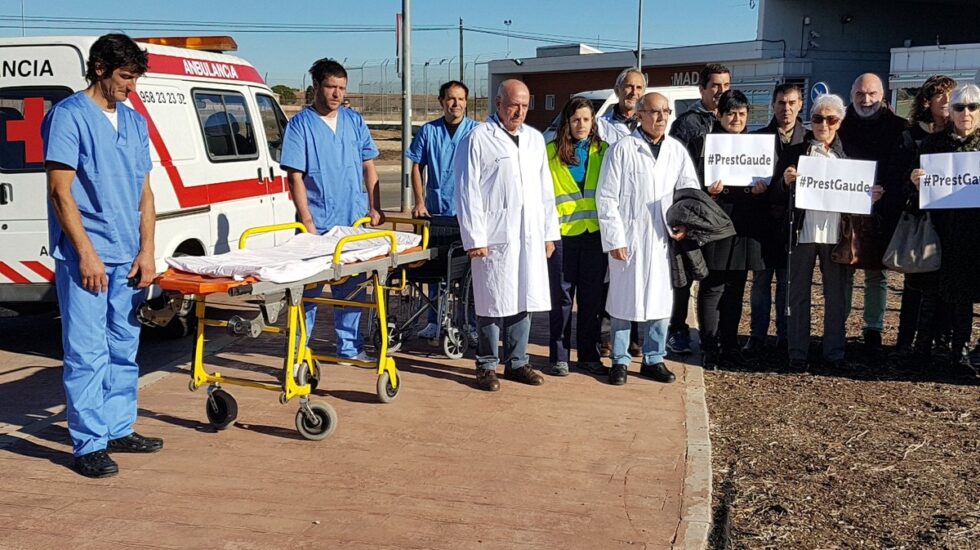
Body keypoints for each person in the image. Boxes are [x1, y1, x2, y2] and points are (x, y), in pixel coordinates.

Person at [42, 33, 162, 478]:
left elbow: (145, 194)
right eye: (126, 78)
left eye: (136, 78)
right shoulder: (68, 117)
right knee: (87, 351)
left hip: (128, 257)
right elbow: (60, 192)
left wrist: (147, 251)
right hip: (85, 259)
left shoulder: (134, 123)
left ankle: (117, 428)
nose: (132, 87)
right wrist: (87, 255)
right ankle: (88, 443)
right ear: (99, 69)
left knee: (124, 347)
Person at [455, 79, 560, 392]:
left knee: (523, 296)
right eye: (514, 104)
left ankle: (517, 362)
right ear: (498, 103)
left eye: (525, 106)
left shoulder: (534, 140)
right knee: (491, 301)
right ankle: (486, 365)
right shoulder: (478, 138)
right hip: (493, 236)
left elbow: (545, 190)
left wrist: (548, 234)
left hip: (529, 234)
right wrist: (475, 238)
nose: (520, 111)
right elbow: (467, 191)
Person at [771, 94, 884, 371]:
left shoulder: (849, 155)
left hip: (836, 235)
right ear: (811, 121)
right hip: (803, 232)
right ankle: (797, 352)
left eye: (831, 119)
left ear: (839, 122)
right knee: (797, 294)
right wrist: (785, 183)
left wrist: (871, 195)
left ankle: (834, 353)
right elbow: (774, 193)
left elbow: (858, 191)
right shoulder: (795, 152)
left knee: (837, 295)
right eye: (818, 118)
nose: (824, 124)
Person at [281, 58, 383, 362]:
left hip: (354, 219)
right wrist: (308, 221)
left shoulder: (354, 121)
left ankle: (350, 348)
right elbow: (295, 176)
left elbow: (369, 165)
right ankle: (298, 351)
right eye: (330, 87)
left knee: (352, 289)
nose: (337, 93)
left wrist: (375, 207)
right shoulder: (301, 126)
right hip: (319, 222)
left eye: (341, 87)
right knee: (308, 291)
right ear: (316, 87)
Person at [596, 92, 700, 385]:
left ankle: (654, 359)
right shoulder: (622, 149)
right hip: (628, 238)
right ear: (640, 114)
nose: (661, 117)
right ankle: (619, 359)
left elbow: (689, 193)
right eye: (655, 112)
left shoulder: (676, 151)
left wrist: (684, 226)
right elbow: (606, 197)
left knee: (660, 301)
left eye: (666, 112)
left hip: (663, 239)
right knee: (622, 301)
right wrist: (615, 238)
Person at [686, 90, 768, 369]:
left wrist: (761, 190)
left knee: (736, 287)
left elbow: (767, 183)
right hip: (715, 222)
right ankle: (709, 347)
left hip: (745, 223)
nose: (736, 118)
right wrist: (708, 191)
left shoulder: (756, 146)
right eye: (731, 113)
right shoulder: (703, 144)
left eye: (742, 113)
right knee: (712, 286)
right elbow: (690, 183)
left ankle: (730, 345)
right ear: (719, 115)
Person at [909, 83, 980, 374]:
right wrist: (915, 181)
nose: (966, 113)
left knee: (963, 296)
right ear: (949, 111)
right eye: (959, 107)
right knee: (930, 292)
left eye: (972, 107)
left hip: (973, 233)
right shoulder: (932, 145)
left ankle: (959, 353)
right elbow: (914, 196)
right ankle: (922, 348)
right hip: (937, 229)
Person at [837, 73, 907, 355]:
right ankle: (837, 325)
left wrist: (886, 189)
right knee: (845, 268)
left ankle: (873, 328)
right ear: (851, 95)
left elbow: (902, 167)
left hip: (882, 208)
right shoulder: (839, 124)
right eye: (860, 95)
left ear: (883, 95)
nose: (866, 100)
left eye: (872, 94)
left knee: (877, 273)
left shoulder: (899, 127)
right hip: (846, 206)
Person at [666, 63, 731, 355]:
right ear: (702, 89)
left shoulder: (734, 121)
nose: (720, 91)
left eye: (725, 85)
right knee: (684, 275)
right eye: (715, 85)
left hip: (719, 216)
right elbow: (674, 166)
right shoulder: (688, 123)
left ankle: (710, 333)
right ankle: (676, 329)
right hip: (693, 211)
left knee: (712, 275)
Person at [406, 80, 479, 340]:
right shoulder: (429, 131)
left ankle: (469, 324)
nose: (455, 104)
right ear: (441, 101)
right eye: (450, 98)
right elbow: (416, 166)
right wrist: (419, 201)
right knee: (436, 269)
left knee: (468, 274)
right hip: (436, 212)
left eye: (460, 99)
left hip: (466, 215)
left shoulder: (476, 131)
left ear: (466, 102)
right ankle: (434, 321)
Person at [891, 75, 956, 356]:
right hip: (920, 219)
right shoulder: (910, 136)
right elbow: (896, 178)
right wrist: (912, 179)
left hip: (953, 222)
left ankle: (942, 341)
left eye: (950, 95)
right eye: (939, 95)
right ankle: (907, 341)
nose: (945, 100)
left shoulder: (962, 135)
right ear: (926, 101)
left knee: (948, 286)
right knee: (916, 281)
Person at [545, 97, 609, 376]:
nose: (581, 125)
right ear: (566, 123)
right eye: (575, 120)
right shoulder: (549, 152)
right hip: (562, 236)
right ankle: (559, 355)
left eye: (586, 119)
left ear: (593, 121)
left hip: (595, 236)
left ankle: (588, 355)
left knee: (592, 299)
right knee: (561, 299)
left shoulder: (604, 151)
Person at [744, 83, 806, 356]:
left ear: (800, 105)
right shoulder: (758, 139)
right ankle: (757, 335)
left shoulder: (808, 141)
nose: (786, 108)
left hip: (792, 223)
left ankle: (784, 335)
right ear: (773, 105)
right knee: (760, 282)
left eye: (792, 102)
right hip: (763, 221)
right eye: (781, 102)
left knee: (786, 283)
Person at [596, 67, 645, 143]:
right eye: (629, 86)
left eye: (638, 88)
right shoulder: (600, 125)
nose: (634, 92)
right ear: (617, 90)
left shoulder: (650, 124)